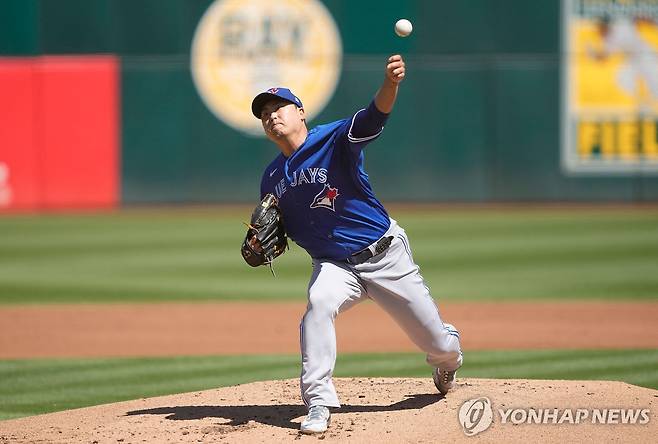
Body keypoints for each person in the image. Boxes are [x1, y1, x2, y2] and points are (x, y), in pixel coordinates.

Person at [249, 54, 463, 435]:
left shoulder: (331, 139)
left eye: (278, 106)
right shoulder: (270, 178)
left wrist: (391, 84)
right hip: (335, 266)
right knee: (318, 304)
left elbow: (373, 117)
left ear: (300, 112)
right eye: (264, 112)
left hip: (385, 254)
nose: (271, 115)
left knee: (440, 346)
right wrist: (260, 244)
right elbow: (280, 227)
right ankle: (318, 402)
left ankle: (448, 353)